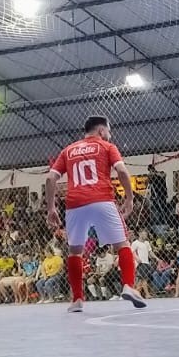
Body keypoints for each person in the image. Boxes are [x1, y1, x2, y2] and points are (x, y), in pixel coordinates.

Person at [44, 115, 146, 312]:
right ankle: (128, 286)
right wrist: (130, 198)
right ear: (101, 131)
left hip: (75, 204)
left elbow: (50, 179)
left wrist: (51, 208)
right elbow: (123, 172)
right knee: (122, 244)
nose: (110, 134)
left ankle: (77, 300)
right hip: (102, 200)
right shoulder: (107, 147)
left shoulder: (68, 150)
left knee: (75, 251)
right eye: (108, 131)